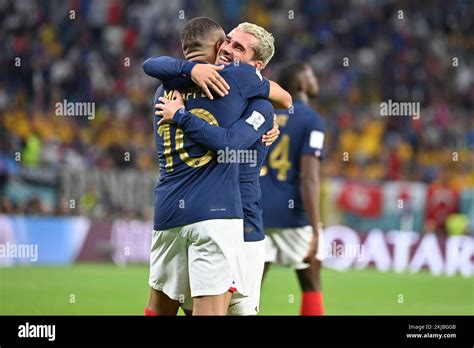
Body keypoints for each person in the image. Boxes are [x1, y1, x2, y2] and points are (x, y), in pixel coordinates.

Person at [143, 18, 289, 316]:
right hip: (217, 218)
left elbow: (284, 98)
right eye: (227, 41)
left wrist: (183, 108)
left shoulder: (170, 89)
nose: (227, 49)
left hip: (242, 224)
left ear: (256, 65)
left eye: (239, 47)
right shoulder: (217, 84)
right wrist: (193, 69)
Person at [260, 61, 326, 315]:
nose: (315, 80)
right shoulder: (312, 120)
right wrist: (316, 228)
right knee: (311, 284)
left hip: (258, 211)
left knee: (250, 288)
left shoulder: (263, 114)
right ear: (300, 84)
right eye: (311, 75)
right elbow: (309, 178)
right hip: (294, 215)